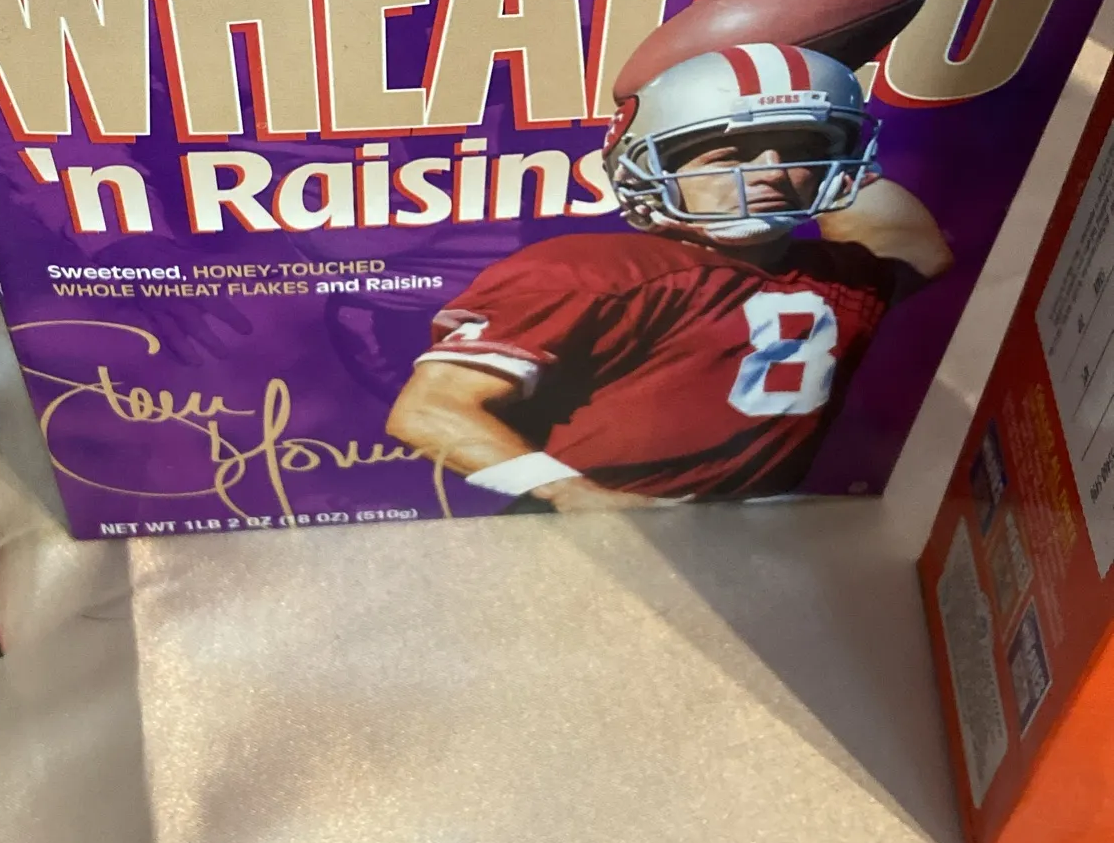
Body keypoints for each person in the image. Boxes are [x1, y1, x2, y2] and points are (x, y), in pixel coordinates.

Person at [387, 39, 951, 508]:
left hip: (754, 543)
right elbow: (429, 410)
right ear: (651, 168)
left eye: (798, 151)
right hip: (599, 539)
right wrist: (570, 494)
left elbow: (915, 246)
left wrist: (801, 86)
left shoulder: (844, 277)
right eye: (729, 154)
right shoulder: (595, 271)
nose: (771, 173)